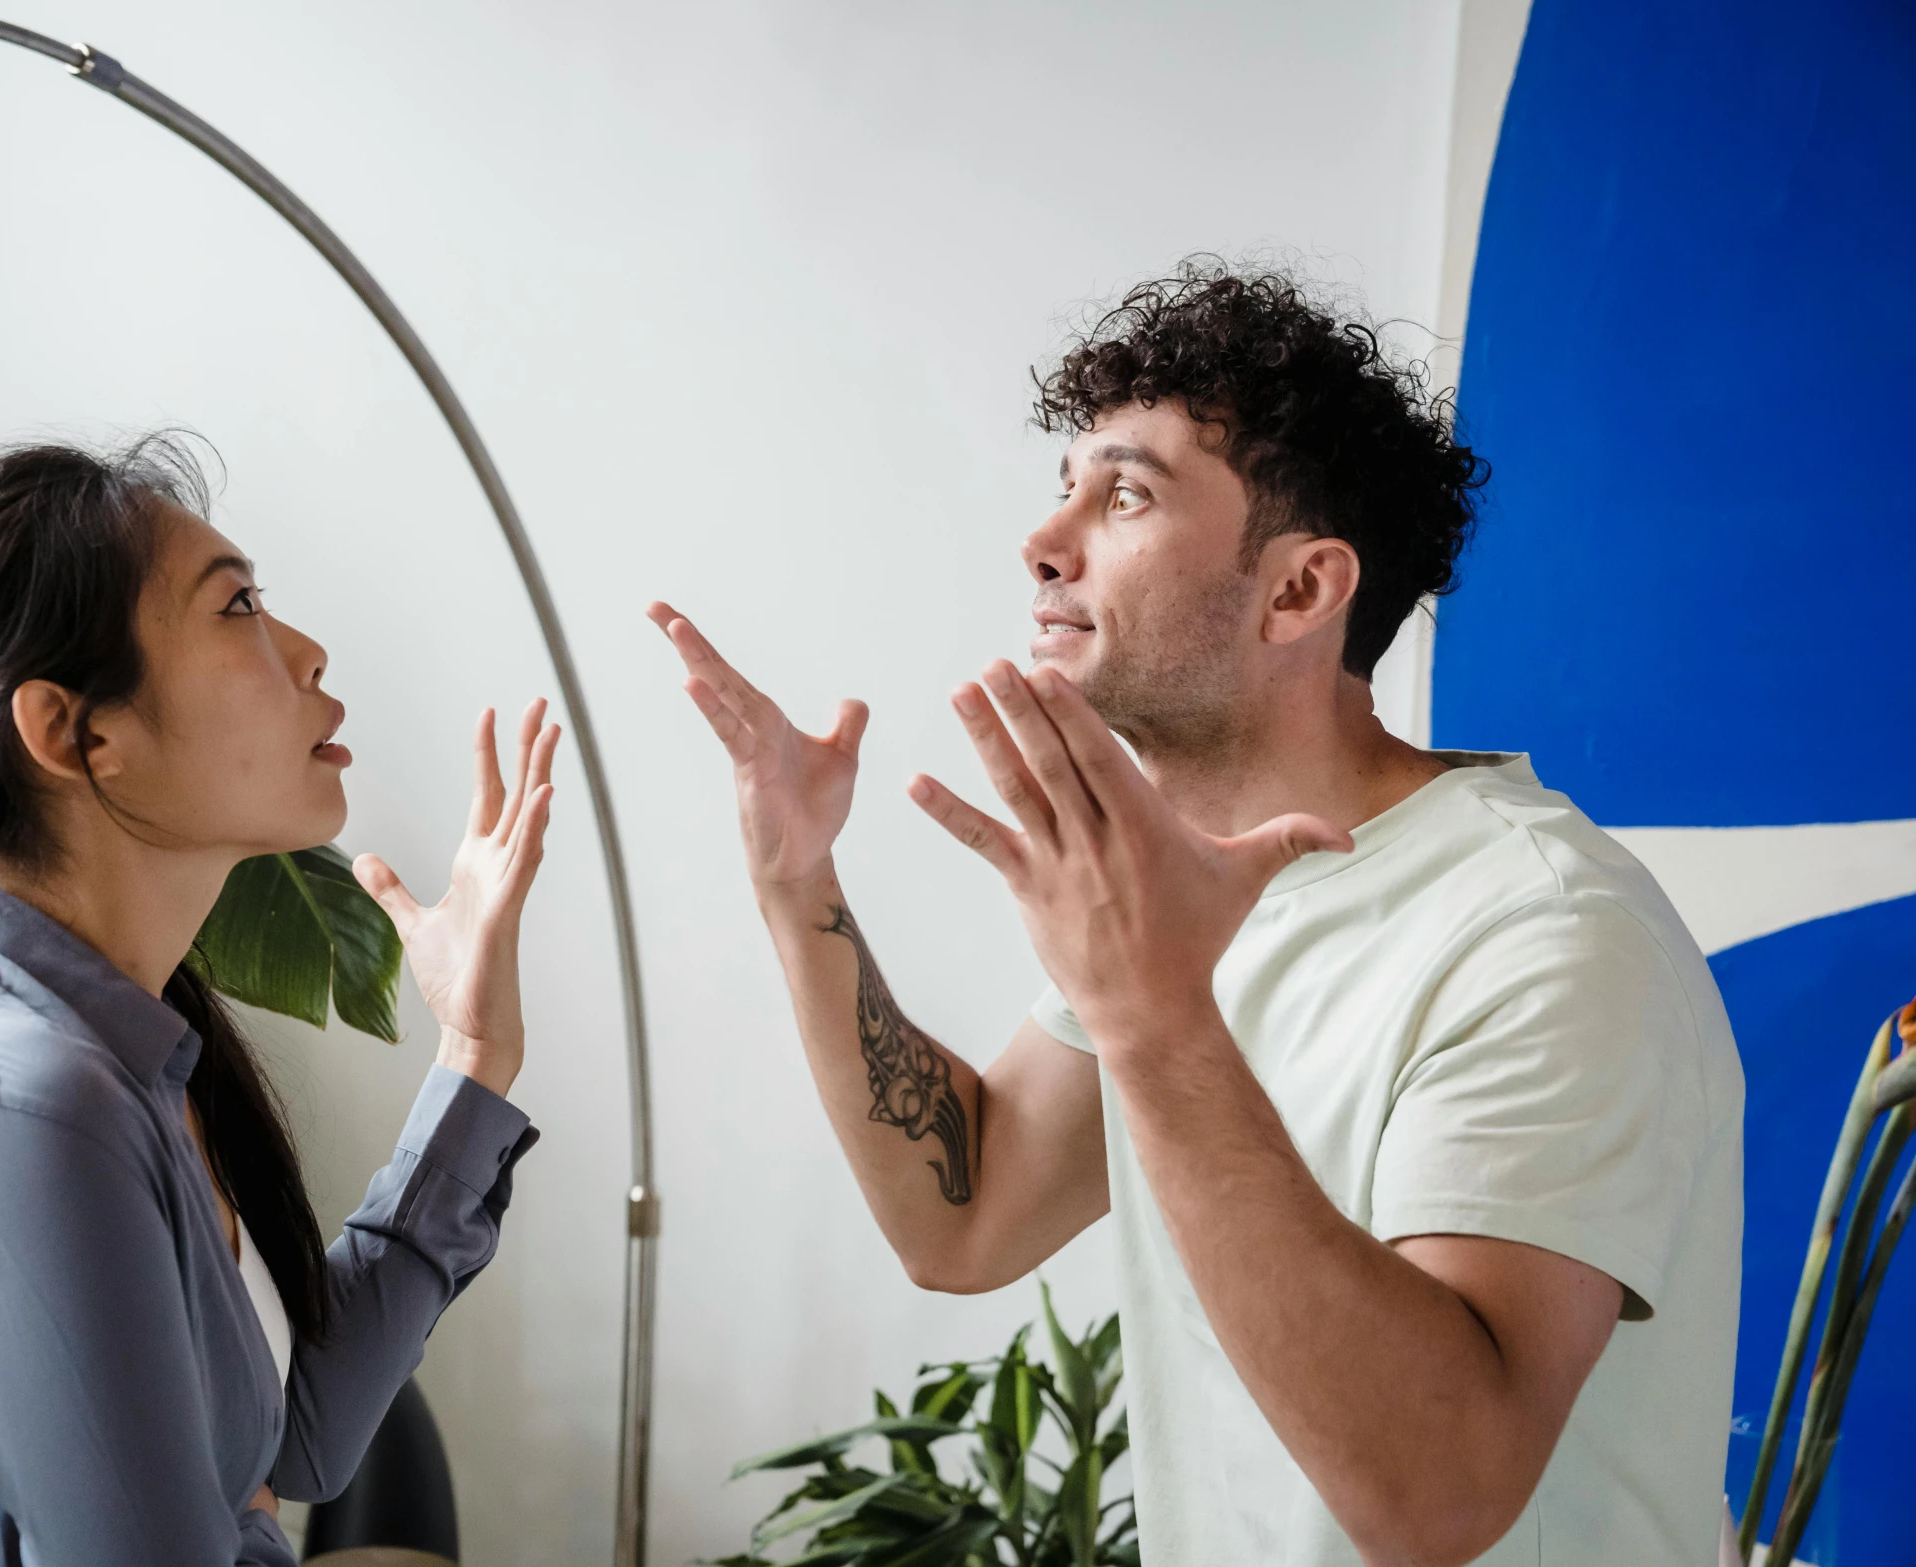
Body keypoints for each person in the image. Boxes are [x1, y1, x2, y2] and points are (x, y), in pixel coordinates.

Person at [652, 261, 1743, 1566]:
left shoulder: (1543, 930)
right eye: (1063, 489)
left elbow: (1441, 1494)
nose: (1042, 542)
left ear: (1298, 590)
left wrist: (1154, 1016)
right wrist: (796, 881)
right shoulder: (1177, 898)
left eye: (1123, 493)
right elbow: (966, 1211)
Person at [0, 437, 558, 1566]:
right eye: (236, 605)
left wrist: (473, 1053)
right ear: (74, 731)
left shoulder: (115, 1051)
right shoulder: (14, 1111)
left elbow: (301, 1433)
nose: (306, 650)